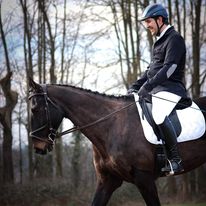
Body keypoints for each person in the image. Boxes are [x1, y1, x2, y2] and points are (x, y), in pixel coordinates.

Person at [128, 3, 191, 175]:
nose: (146, 25)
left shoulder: (174, 39)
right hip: (157, 89)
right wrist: (135, 86)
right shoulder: (158, 42)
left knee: (159, 114)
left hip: (171, 89)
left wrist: (148, 86)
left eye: (148, 21)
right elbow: (151, 70)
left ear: (160, 19)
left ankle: (176, 161)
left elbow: (169, 69)